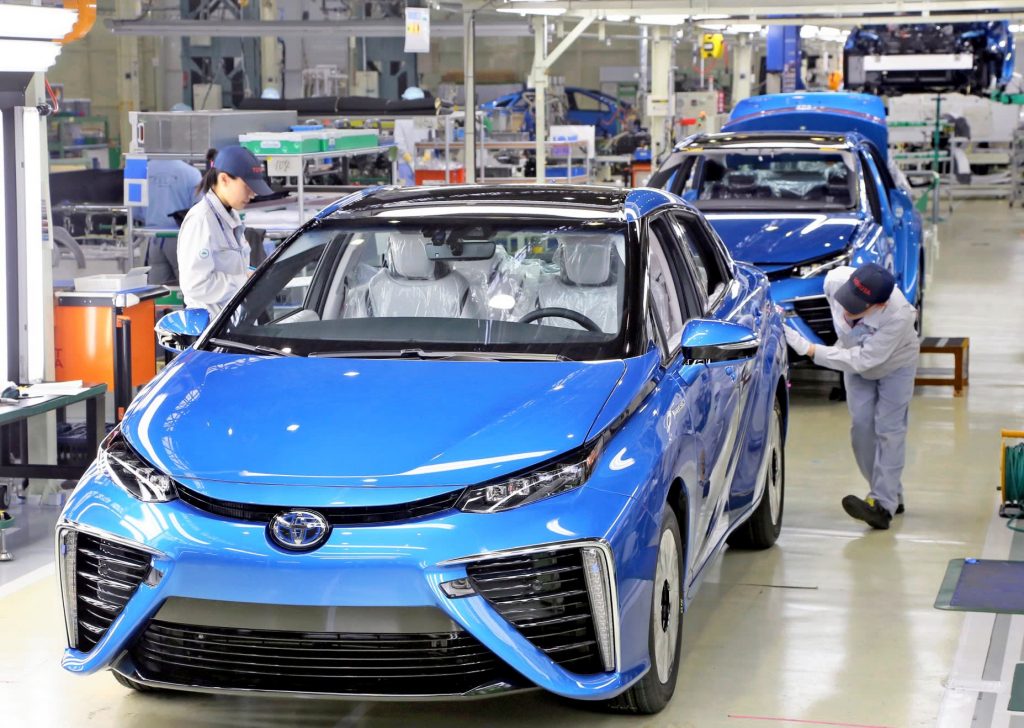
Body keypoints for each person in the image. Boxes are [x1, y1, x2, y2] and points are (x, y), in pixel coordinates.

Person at [784, 262, 920, 531]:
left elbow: (864, 359)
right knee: (861, 428)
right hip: (851, 358)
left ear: (879, 305)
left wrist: (810, 350)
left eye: (857, 305)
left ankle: (882, 506)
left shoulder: (899, 315)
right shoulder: (835, 281)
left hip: (895, 365)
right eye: (848, 298)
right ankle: (890, 493)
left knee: (889, 429)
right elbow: (853, 356)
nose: (847, 308)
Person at [176, 145, 272, 316]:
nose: (253, 194)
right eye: (247, 186)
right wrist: (244, 282)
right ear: (224, 179)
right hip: (212, 324)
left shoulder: (230, 217)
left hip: (234, 319)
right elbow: (195, 284)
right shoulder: (201, 220)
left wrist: (252, 276)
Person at [140, 160, 203, 285]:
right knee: (189, 287)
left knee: (158, 290)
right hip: (181, 238)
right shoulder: (191, 173)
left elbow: (135, 211)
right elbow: (201, 208)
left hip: (153, 238)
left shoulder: (143, 171)